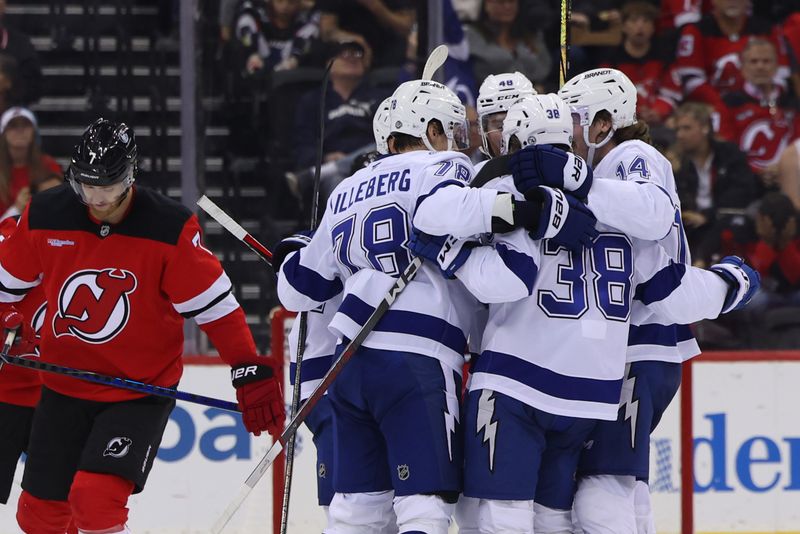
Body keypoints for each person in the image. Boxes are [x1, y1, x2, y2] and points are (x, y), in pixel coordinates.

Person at [409, 93, 759, 533]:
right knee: (559, 517)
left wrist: (450, 255)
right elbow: (666, 290)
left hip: (516, 381)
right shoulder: (620, 208)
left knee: (500, 517)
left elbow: (497, 271)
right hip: (590, 395)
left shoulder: (508, 186)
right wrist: (731, 284)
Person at [276, 78, 559, 533]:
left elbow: (298, 290)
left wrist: (293, 250)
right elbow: (458, 212)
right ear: (424, 131)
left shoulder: (345, 189)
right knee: (423, 504)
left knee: (356, 510)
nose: (455, 144)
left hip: (348, 362)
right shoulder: (442, 167)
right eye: (447, 130)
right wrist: (522, 209)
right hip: (418, 356)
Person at [0, 118, 285, 533]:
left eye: (108, 187)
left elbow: (215, 308)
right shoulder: (45, 214)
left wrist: (245, 365)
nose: (96, 198)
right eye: (86, 186)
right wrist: (10, 322)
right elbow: (6, 287)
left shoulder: (168, 227)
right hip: (63, 388)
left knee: (94, 501)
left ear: (131, 175)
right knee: (38, 516)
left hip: (136, 392)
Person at [672, 102, 761, 266]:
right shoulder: (678, 163)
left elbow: (742, 192)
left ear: (705, 128)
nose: (680, 135)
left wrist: (707, 215)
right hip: (692, 223)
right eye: (677, 129)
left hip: (724, 218)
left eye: (686, 128)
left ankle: (700, 261)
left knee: (725, 222)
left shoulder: (730, 154)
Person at [721, 38, 797, 182]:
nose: (760, 67)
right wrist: (757, 172)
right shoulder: (729, 103)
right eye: (754, 61)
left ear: (776, 66)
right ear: (742, 67)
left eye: (766, 61)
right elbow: (726, 148)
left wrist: (784, 168)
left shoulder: (791, 101)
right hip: (745, 183)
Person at [464, 0, 552, 87]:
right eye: (501, 2)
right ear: (487, 4)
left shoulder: (531, 36)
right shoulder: (470, 36)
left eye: (511, 1)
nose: (507, 6)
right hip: (485, 95)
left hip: (533, 95)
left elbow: (546, 69)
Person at [0, 107, 61, 221]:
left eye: (25, 126)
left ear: (34, 132)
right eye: (13, 126)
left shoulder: (48, 165)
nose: (20, 130)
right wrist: (17, 208)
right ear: (3, 133)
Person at [318, 0, 415, 69]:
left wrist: (375, 6)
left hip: (389, 55)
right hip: (348, 53)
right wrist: (357, 41)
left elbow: (405, 27)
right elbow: (327, 31)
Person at [475, 71, 536, 160]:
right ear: (483, 129)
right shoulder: (477, 172)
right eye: (501, 127)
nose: (509, 135)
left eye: (522, 124)